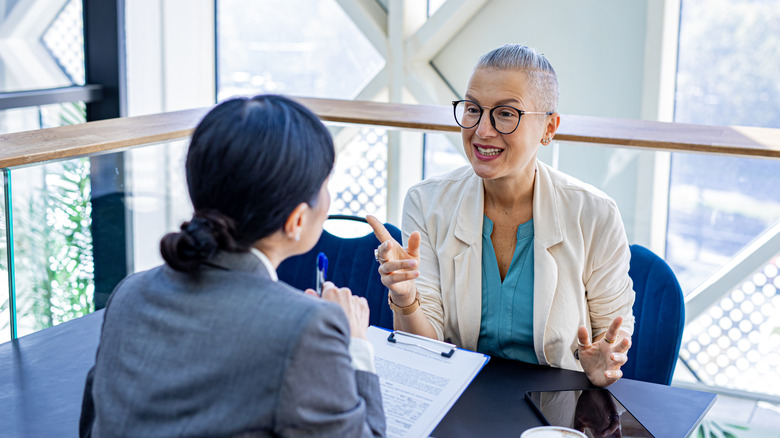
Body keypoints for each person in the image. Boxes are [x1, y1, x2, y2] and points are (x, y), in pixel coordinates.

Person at [79, 95, 386, 437]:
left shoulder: (130, 293)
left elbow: (93, 424)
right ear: (296, 220)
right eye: (325, 185)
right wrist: (355, 342)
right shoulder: (307, 327)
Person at [368, 44, 634, 388]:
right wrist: (405, 300)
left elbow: (610, 341)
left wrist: (602, 369)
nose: (482, 130)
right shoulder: (426, 202)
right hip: (460, 399)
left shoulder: (595, 214)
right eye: (473, 109)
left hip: (554, 407)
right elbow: (426, 353)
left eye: (506, 114)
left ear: (549, 127)